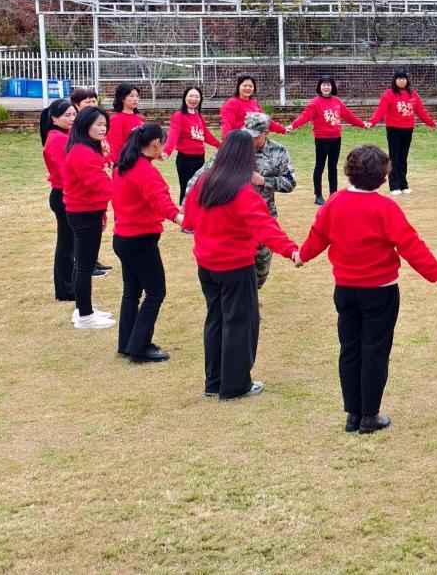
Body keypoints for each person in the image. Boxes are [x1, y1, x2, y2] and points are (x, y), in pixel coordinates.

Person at [299, 145, 437, 434]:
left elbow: (318, 235)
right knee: (375, 350)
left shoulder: (335, 202)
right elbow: (411, 246)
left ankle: (353, 413)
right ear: (382, 178)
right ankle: (369, 415)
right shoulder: (385, 208)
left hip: (346, 288)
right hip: (379, 290)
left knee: (350, 349)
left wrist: (302, 255)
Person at [183, 131, 300, 400]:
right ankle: (235, 385)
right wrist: (291, 250)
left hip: (207, 264)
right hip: (234, 265)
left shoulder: (205, 181)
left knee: (216, 319)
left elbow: (189, 219)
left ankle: (214, 381)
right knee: (239, 323)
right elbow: (265, 227)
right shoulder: (243, 191)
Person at [185, 112, 296, 290]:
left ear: (266, 133)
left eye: (255, 136)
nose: (250, 139)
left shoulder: (278, 152)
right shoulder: (234, 149)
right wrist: (188, 208)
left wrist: (264, 181)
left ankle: (250, 293)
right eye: (247, 133)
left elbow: (290, 183)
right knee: (237, 268)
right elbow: (199, 178)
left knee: (261, 269)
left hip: (262, 216)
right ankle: (246, 297)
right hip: (233, 219)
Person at [111, 123, 182, 363]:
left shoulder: (123, 166)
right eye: (163, 143)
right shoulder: (144, 171)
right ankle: (139, 346)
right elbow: (160, 201)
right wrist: (180, 217)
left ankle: (127, 343)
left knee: (132, 292)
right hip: (140, 240)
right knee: (155, 292)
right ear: (155, 144)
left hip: (124, 238)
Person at [63, 106, 115, 329]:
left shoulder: (88, 149)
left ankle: (82, 309)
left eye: (105, 125)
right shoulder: (81, 152)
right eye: (98, 124)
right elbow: (99, 184)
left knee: (82, 263)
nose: (103, 129)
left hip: (89, 210)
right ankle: (85, 315)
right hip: (84, 212)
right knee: (85, 265)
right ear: (85, 126)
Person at [289, 76, 369, 204]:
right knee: (319, 166)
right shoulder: (315, 103)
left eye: (328, 85)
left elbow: (349, 116)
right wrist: (293, 126)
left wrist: (362, 124)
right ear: (319, 87)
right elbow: (304, 117)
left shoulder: (337, 101)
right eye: (323, 85)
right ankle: (318, 195)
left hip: (336, 138)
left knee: (333, 167)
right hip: (321, 139)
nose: (326, 87)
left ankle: (333, 194)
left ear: (332, 87)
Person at [368, 70, 436, 196]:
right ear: (395, 80)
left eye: (403, 78)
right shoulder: (389, 94)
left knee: (403, 158)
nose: (401, 81)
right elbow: (381, 110)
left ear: (407, 80)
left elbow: (421, 111)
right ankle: (394, 185)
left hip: (408, 129)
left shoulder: (413, 94)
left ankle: (404, 184)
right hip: (393, 129)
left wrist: (431, 123)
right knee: (395, 157)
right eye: (399, 78)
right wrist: (372, 122)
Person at [41, 98, 77, 302]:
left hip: (67, 193)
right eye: (67, 115)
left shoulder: (64, 136)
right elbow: (66, 172)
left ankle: (68, 284)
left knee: (69, 243)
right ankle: (64, 288)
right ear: (54, 118)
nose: (72, 118)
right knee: (66, 244)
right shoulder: (57, 139)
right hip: (64, 194)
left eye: (74, 114)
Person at [164, 85, 221, 203]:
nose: (193, 99)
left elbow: (206, 134)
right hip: (185, 159)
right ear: (185, 97)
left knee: (198, 189)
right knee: (187, 190)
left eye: (197, 97)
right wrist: (167, 151)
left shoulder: (198, 115)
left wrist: (221, 145)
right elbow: (173, 136)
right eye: (191, 96)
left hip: (200, 158)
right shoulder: (178, 116)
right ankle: (184, 213)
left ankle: (196, 213)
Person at [220, 75, 287, 137]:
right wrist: (228, 141)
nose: (248, 88)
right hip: (240, 140)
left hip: (257, 140)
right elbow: (227, 125)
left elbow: (264, 121)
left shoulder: (254, 103)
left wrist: (283, 130)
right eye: (245, 85)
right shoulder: (231, 103)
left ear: (254, 88)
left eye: (250, 86)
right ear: (238, 87)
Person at [106, 83, 144, 164]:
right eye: (131, 96)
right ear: (122, 98)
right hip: (125, 163)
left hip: (139, 161)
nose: (135, 99)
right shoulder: (116, 120)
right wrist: (118, 164)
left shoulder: (140, 118)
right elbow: (114, 146)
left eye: (137, 96)